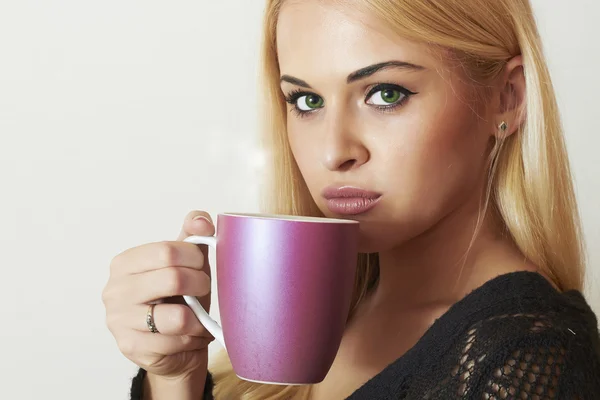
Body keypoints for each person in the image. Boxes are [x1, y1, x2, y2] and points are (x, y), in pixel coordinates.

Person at [102, 0, 600, 398]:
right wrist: (173, 378)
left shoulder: (526, 354)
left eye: (385, 94)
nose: (334, 151)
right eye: (307, 101)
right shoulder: (311, 313)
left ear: (507, 98)